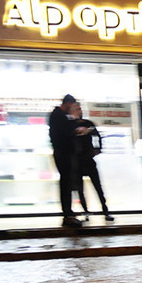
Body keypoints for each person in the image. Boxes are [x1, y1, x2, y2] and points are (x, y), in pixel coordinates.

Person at [48, 94, 88, 227]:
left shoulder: (62, 116)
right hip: (63, 154)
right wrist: (75, 124)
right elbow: (65, 132)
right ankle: (67, 215)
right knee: (66, 184)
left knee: (68, 184)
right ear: (67, 104)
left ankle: (69, 213)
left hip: (67, 154)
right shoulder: (58, 115)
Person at [69, 103, 113, 222]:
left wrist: (98, 149)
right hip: (78, 160)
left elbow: (97, 134)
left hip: (87, 158)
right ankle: (86, 211)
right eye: (77, 109)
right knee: (80, 189)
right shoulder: (71, 125)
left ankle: (105, 210)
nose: (79, 111)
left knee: (97, 186)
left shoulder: (87, 124)